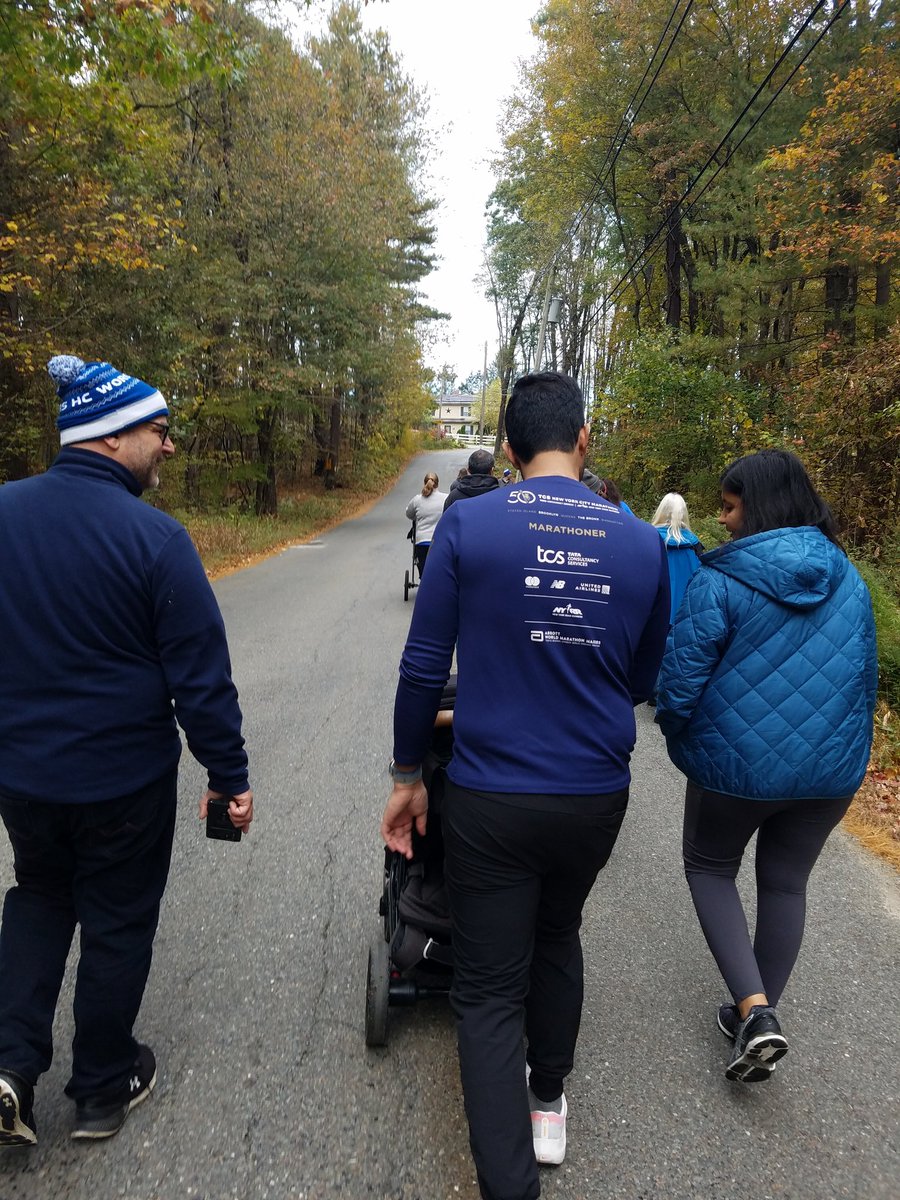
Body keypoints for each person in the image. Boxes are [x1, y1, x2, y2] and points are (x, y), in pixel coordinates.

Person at [381, 372, 670, 1200]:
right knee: (558, 933)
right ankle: (548, 1099)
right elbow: (642, 680)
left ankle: (510, 1186)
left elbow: (422, 665)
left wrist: (409, 776)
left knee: (487, 986)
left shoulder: (471, 524)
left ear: (508, 449)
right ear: (584, 441)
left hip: (490, 792)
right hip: (592, 794)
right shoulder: (643, 543)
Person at [0, 355, 253, 1148]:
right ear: (112, 436)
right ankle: (102, 1088)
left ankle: (9, 1072)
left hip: (24, 776)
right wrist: (229, 778)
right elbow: (201, 680)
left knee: (39, 899)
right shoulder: (155, 538)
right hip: (122, 783)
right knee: (116, 922)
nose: (169, 447)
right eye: (159, 430)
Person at [656, 449, 876, 1085]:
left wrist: (680, 734)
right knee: (785, 885)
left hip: (736, 768)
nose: (722, 521)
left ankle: (755, 1012)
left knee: (708, 866)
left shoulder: (719, 581)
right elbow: (864, 681)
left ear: (759, 506)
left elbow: (678, 685)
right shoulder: (851, 580)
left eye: (728, 507)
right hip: (828, 775)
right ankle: (755, 1013)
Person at [649, 493, 702, 702]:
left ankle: (653, 690)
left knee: (654, 649)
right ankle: (669, 693)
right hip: (684, 606)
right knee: (678, 652)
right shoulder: (693, 545)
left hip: (656, 604)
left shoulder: (650, 540)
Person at [405, 471, 447, 577]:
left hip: (422, 542)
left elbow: (409, 514)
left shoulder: (417, 500)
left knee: (423, 568)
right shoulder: (446, 498)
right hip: (439, 541)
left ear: (425, 483)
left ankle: (424, 579)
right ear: (438, 484)